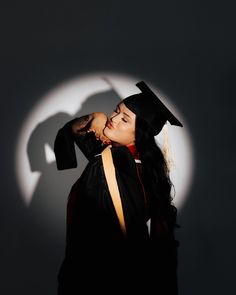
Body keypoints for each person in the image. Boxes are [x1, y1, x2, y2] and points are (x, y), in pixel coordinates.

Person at [54, 81, 183, 294]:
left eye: (124, 119)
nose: (113, 119)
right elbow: (76, 130)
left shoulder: (120, 165)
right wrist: (96, 116)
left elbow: (116, 240)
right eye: (116, 110)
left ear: (138, 134)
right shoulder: (132, 161)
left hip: (99, 279)